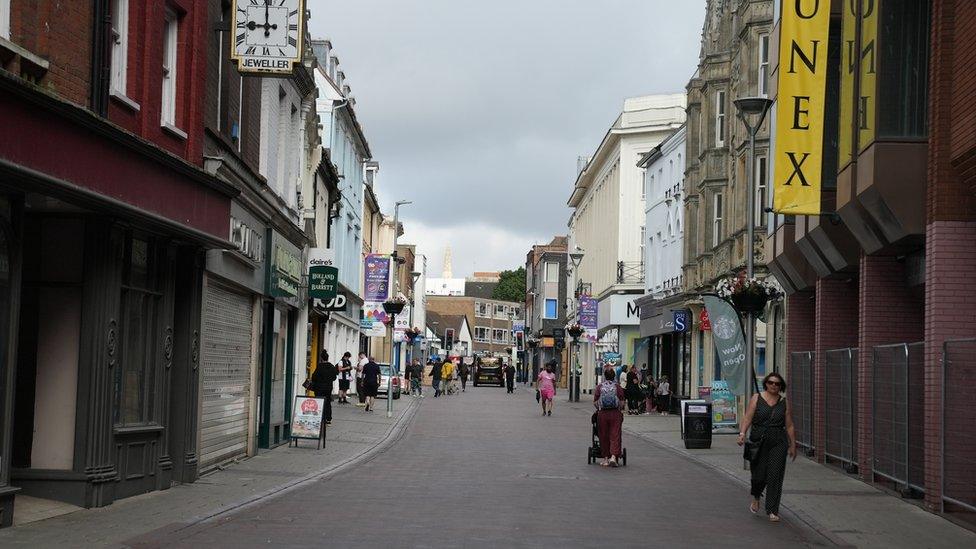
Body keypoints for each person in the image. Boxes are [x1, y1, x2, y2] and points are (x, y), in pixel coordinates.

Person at [738, 372, 796, 522]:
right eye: (771, 382)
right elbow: (748, 417)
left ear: (781, 386)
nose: (774, 386)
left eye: (777, 384)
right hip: (759, 440)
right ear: (766, 383)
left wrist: (793, 445)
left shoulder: (784, 402)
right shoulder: (757, 398)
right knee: (759, 475)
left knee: (775, 475)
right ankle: (756, 497)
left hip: (778, 441)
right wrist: (742, 433)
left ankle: (772, 510)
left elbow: (789, 425)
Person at [593, 368, 625, 467]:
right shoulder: (617, 387)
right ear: (614, 376)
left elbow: (595, 402)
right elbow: (622, 402)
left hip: (603, 414)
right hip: (615, 413)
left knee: (603, 435)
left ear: (605, 376)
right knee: (615, 434)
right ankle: (614, 457)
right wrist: (620, 408)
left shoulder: (600, 387)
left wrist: (599, 408)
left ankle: (605, 458)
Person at [310, 352, 337, 424]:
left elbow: (314, 377)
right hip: (328, 387)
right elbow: (334, 377)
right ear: (327, 358)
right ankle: (328, 419)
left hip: (319, 387)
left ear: (321, 358)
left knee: (319, 402)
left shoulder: (319, 366)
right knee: (328, 402)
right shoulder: (332, 366)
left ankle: (320, 418)